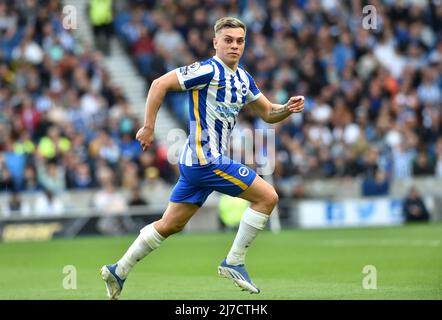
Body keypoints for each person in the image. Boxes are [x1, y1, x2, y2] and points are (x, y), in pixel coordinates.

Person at [100, 17, 304, 300]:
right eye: (228, 40)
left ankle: (118, 270)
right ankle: (234, 261)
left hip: (197, 163)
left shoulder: (243, 78)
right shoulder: (207, 70)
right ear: (215, 42)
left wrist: (287, 108)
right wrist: (148, 127)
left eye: (240, 41)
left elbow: (268, 113)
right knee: (268, 197)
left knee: (170, 224)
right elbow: (159, 84)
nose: (234, 46)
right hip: (205, 159)